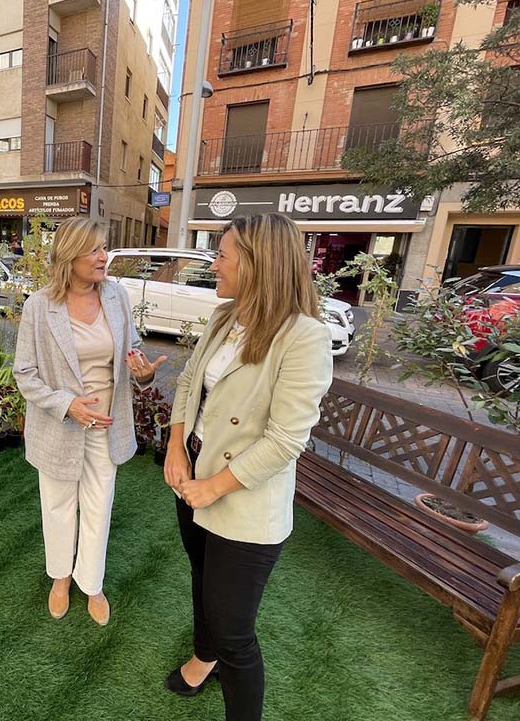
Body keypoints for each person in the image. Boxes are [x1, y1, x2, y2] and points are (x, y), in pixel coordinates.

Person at [161, 214, 333, 720]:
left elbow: (285, 440)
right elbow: (191, 382)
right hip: (193, 476)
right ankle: (202, 656)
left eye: (221, 255)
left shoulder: (303, 337)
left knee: (235, 630)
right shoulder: (225, 317)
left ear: (258, 265)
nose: (213, 263)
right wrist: (175, 444)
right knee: (201, 575)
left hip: (242, 498)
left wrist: (214, 487)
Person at [13, 218, 166, 626]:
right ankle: (61, 577)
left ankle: (91, 582)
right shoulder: (39, 307)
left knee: (99, 507)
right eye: (95, 250)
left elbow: (131, 350)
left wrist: (143, 371)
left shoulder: (116, 296)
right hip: (60, 425)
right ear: (70, 255)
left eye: (105, 248)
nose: (104, 257)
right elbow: (25, 373)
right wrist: (67, 405)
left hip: (108, 423)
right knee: (59, 506)